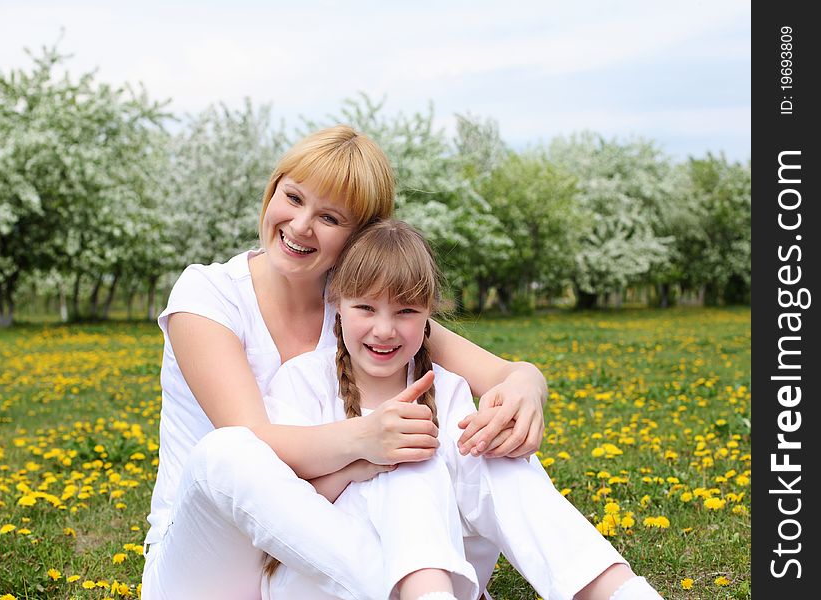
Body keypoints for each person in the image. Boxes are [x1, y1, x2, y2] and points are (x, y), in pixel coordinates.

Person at [140, 125, 637, 600]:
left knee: (458, 450)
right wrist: (366, 443)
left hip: (324, 555)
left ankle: (615, 589)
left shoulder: (357, 305)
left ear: (359, 239)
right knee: (227, 453)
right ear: (272, 192)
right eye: (292, 197)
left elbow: (503, 373)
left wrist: (527, 386)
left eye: (330, 218)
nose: (300, 225)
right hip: (214, 564)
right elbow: (257, 445)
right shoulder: (207, 295)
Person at [260, 220, 662, 600]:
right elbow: (279, 509)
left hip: (442, 571)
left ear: (428, 314)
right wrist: (361, 463)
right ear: (338, 304)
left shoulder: (446, 386)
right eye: (366, 308)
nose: (384, 330)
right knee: (410, 463)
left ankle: (618, 589)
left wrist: (498, 435)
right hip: (322, 577)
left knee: (493, 459)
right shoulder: (304, 381)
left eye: (405, 312)